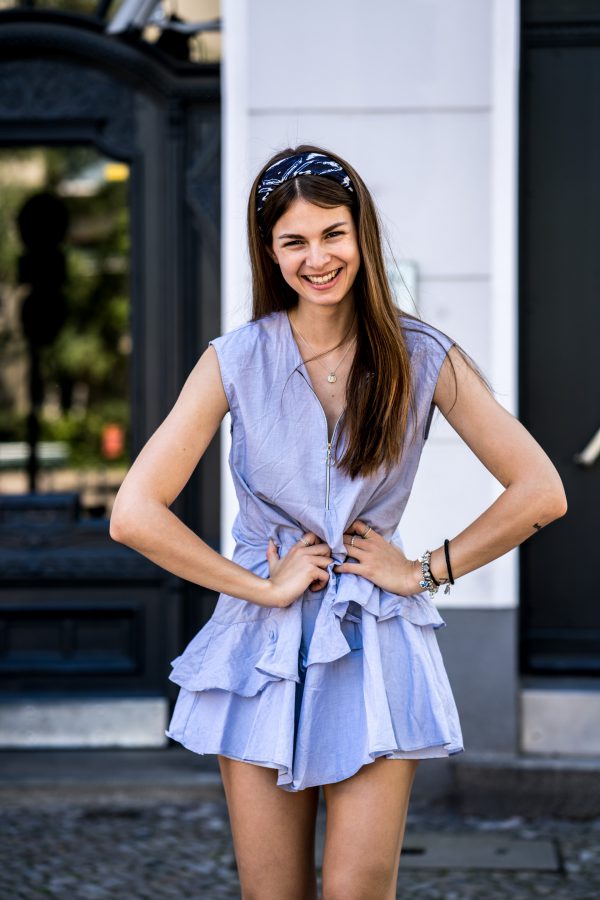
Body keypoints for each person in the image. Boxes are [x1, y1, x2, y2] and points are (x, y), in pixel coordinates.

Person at [110, 145, 568, 900]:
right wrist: (260, 588)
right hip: (257, 652)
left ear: (362, 236)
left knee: (358, 892)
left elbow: (541, 490)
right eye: (294, 240)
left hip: (374, 643)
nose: (316, 257)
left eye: (332, 233)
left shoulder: (422, 355)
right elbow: (134, 514)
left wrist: (424, 570)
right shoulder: (234, 360)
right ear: (270, 251)